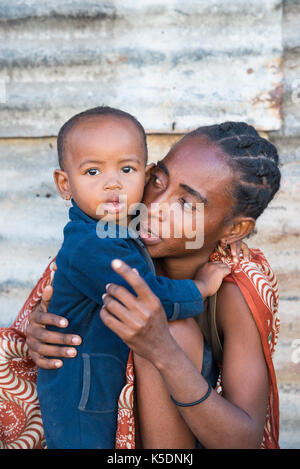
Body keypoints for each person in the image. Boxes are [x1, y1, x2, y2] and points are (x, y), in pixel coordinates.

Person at [1, 121, 280, 449]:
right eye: (157, 180)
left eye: (186, 203)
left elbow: (242, 440)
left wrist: (162, 350)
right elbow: (50, 322)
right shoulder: (109, 246)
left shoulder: (234, 288)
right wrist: (42, 335)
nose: (156, 207)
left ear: (235, 230)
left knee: (173, 328)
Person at [36, 106, 232, 450]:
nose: (112, 183)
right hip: (78, 388)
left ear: (144, 174)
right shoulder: (91, 243)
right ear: (65, 184)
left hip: (94, 380)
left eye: (126, 169)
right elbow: (147, 298)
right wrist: (200, 287)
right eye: (93, 171)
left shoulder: (115, 233)